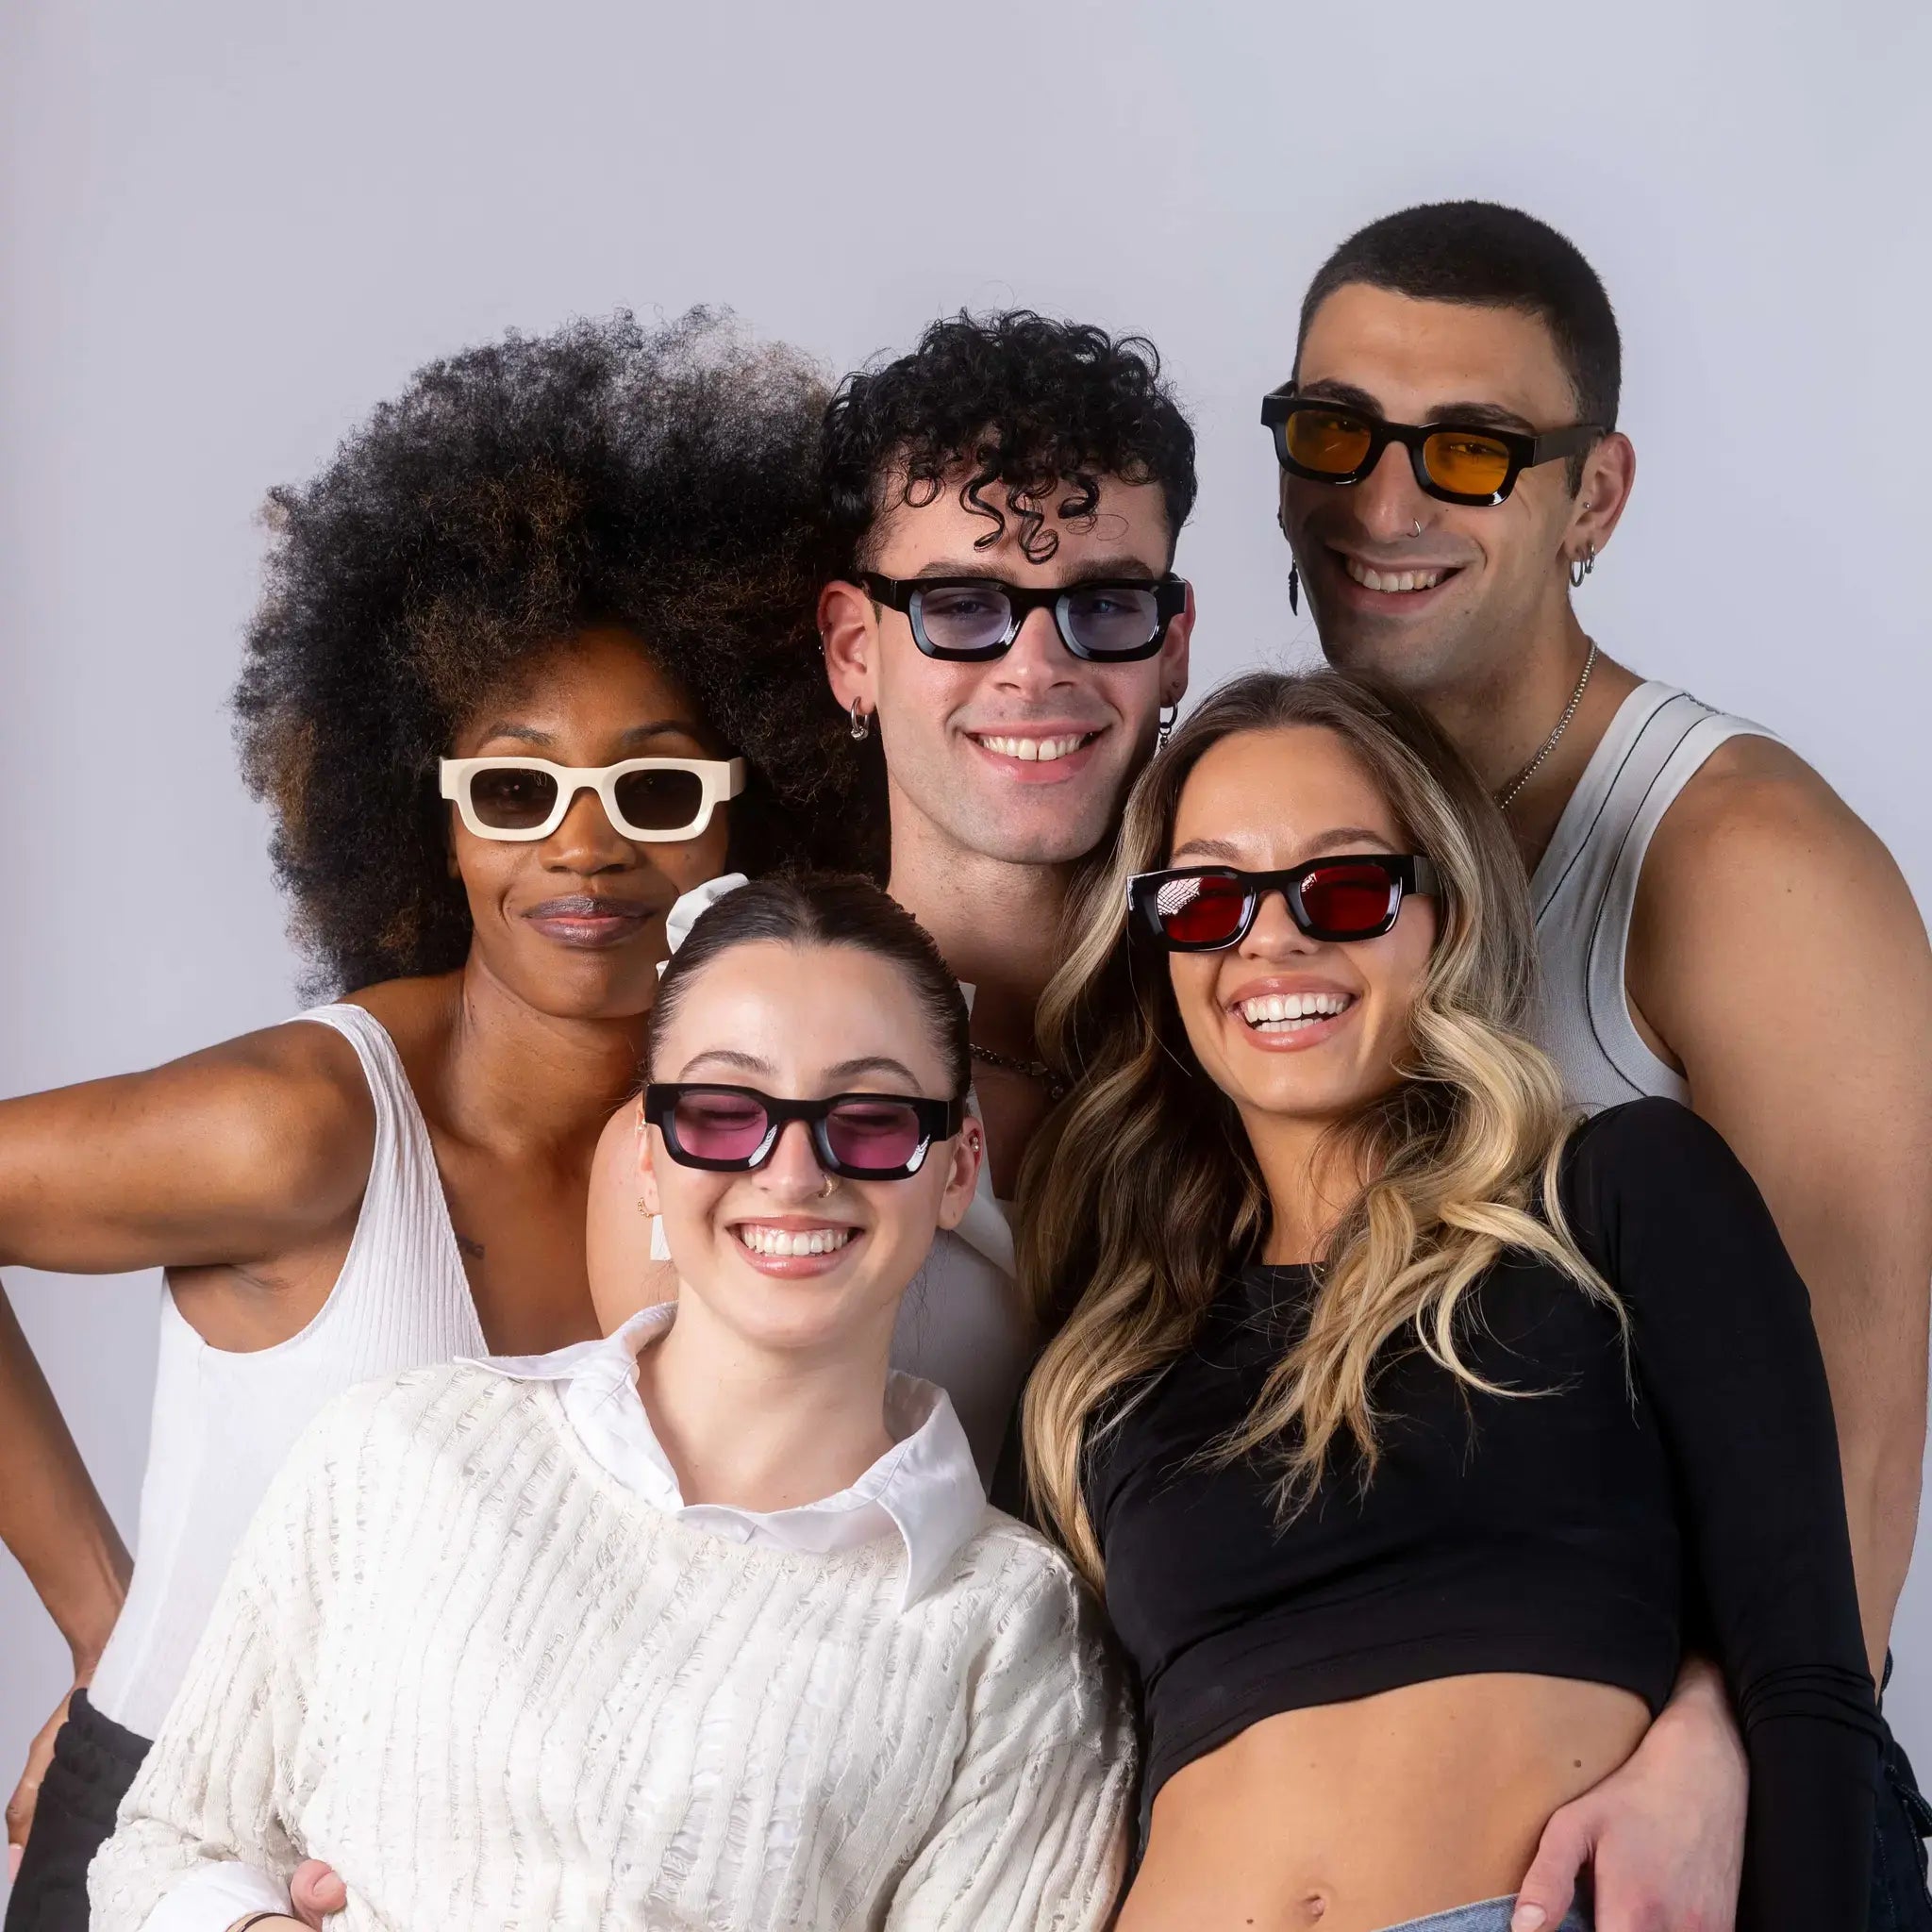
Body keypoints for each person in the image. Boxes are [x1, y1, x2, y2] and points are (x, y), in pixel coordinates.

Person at [0, 310, 856, 1927]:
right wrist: (101, 1616)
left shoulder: (759, 1173)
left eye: (656, 790)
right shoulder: (303, 1129)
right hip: (179, 1853)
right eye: (518, 790)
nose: (586, 850)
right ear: (433, 820)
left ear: (757, 801)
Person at [1265, 199, 1932, 1924]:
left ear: (1596, 496)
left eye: (1470, 451)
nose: (1380, 503)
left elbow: (1852, 1449)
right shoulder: (1281, 840)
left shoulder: (1741, 861)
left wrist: (1715, 1751)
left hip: (1667, 1830)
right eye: (1333, 432)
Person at [88, 874, 1133, 1932]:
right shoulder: (398, 1449)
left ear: (955, 1170)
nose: (792, 1170)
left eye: (868, 1119)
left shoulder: (1010, 1629)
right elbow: (165, 1847)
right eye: (723, 1111)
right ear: (645, 1155)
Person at [1021, 668, 1881, 1932]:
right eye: (1208, 896)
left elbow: (1807, 1677)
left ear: (1446, 913)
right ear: (1159, 950)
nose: (1274, 940)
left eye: (1347, 884)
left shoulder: (1617, 1195)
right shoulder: (1115, 1352)